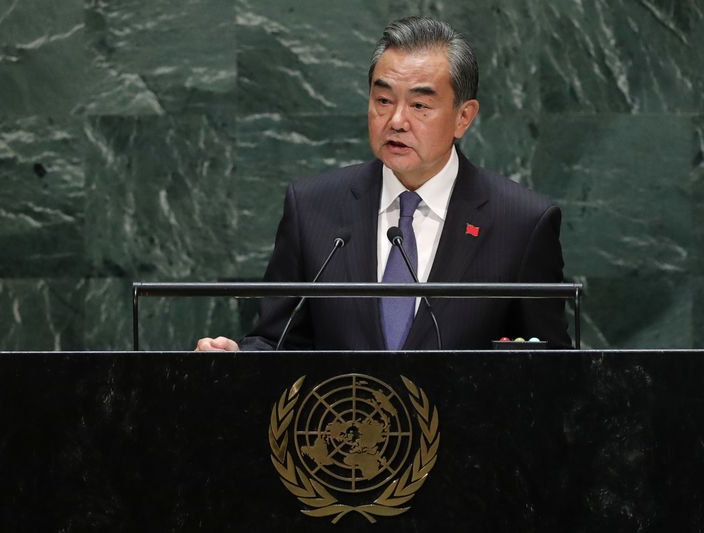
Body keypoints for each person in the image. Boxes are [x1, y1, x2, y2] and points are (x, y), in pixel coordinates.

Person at [196, 16, 571, 352]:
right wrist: (238, 360)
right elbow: (276, 340)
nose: (396, 120)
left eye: (419, 106)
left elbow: (550, 370)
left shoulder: (521, 223)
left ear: (463, 117)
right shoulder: (312, 207)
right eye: (383, 100)